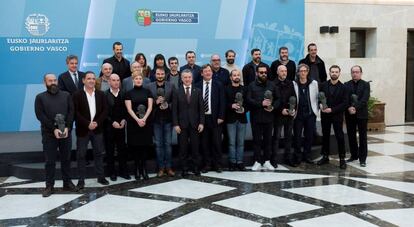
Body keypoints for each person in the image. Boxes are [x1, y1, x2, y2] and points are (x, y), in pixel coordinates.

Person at [35, 73, 77, 197]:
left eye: (54, 80)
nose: (53, 83)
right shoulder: (40, 97)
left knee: (66, 159)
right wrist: (54, 129)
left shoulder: (66, 95)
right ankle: (49, 186)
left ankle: (67, 183)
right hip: (49, 134)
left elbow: (71, 112)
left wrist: (68, 127)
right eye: (50, 81)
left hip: (66, 133)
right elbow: (40, 115)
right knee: (50, 161)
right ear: (45, 83)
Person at [72, 71, 109, 189]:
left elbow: (105, 111)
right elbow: (75, 113)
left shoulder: (101, 94)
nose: (92, 80)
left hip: (97, 129)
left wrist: (97, 123)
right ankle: (81, 180)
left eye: (93, 78)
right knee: (81, 155)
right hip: (83, 130)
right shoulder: (76, 95)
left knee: (98, 153)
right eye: (89, 78)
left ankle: (101, 177)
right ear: (83, 80)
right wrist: (87, 123)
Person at [246, 63, 279, 171]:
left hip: (269, 118)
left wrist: (273, 107)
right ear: (257, 73)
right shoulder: (251, 85)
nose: (264, 74)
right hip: (256, 118)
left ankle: (267, 161)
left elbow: (279, 99)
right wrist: (261, 103)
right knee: (257, 141)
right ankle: (257, 161)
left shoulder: (272, 85)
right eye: (261, 72)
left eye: (265, 72)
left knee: (268, 141)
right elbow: (248, 100)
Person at [172, 69, 205, 177]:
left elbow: (201, 109)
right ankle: (184, 169)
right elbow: (174, 110)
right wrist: (176, 124)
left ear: (192, 78)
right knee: (183, 149)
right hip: (181, 125)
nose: (187, 79)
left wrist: (201, 123)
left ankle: (196, 168)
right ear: (181, 79)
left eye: (189, 77)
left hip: (195, 125)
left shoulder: (198, 91)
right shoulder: (177, 91)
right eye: (185, 77)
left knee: (195, 148)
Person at [145, 67, 175, 177]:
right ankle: (161, 168)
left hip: (168, 120)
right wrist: (155, 102)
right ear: (155, 75)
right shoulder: (149, 86)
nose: (160, 75)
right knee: (158, 145)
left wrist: (168, 105)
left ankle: (169, 167)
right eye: (158, 74)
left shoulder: (171, 85)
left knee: (168, 144)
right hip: (155, 120)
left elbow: (174, 101)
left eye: (162, 74)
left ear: (165, 74)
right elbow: (146, 103)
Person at [317, 65, 348, 169]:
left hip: (337, 115)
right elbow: (318, 98)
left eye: (336, 72)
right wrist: (320, 105)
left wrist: (332, 109)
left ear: (339, 73)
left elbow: (345, 103)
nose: (334, 73)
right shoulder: (323, 85)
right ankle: (325, 156)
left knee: (340, 136)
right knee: (325, 136)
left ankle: (342, 159)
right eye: (332, 72)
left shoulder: (344, 87)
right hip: (325, 115)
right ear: (329, 73)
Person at [196, 64, 225, 173]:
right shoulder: (197, 86)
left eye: (209, 71)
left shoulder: (219, 85)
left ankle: (217, 165)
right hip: (202, 120)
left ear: (212, 73)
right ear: (202, 73)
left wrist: (221, 116)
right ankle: (207, 164)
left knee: (216, 143)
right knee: (204, 143)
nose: (208, 73)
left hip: (216, 119)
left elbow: (222, 101)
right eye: (205, 71)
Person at [125, 73, 153, 180]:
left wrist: (144, 119)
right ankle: (137, 169)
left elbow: (150, 107)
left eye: (140, 78)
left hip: (145, 123)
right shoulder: (128, 93)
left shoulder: (148, 92)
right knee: (136, 148)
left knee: (144, 148)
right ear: (133, 80)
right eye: (136, 78)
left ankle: (144, 170)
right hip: (134, 124)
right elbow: (129, 109)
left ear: (143, 80)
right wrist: (138, 120)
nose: (138, 80)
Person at [104, 74, 130, 181]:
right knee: (110, 151)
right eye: (113, 80)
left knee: (122, 150)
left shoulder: (124, 93)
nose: (116, 82)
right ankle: (112, 173)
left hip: (121, 125)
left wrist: (124, 119)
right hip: (109, 127)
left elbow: (128, 109)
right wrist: (112, 122)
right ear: (109, 82)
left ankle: (123, 171)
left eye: (118, 80)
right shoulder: (104, 94)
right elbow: (103, 112)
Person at [292, 64, 319, 165]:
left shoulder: (314, 83)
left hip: (310, 114)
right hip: (298, 114)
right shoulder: (294, 83)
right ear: (298, 72)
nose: (303, 73)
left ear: (307, 72)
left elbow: (317, 97)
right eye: (301, 71)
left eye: (305, 71)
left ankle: (307, 156)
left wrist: (316, 110)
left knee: (309, 136)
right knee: (297, 136)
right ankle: (297, 156)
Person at [345, 65, 370, 167]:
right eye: (353, 72)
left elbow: (365, 99)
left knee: (363, 137)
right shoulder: (346, 84)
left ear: (361, 73)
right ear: (351, 73)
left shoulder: (365, 84)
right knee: (351, 136)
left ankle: (362, 159)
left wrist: (355, 108)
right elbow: (345, 98)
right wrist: (349, 108)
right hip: (349, 114)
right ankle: (354, 155)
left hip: (361, 114)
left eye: (357, 72)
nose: (355, 74)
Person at [272, 65, 297, 167]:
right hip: (278, 114)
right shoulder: (273, 83)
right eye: (282, 71)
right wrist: (281, 110)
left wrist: (292, 109)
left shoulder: (290, 83)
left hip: (289, 115)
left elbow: (294, 97)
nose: (284, 73)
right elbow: (273, 100)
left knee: (288, 137)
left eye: (285, 71)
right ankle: (273, 159)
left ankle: (288, 158)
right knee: (276, 137)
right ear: (277, 72)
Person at [225, 69, 247, 171]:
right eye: (234, 75)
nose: (236, 77)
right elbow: (223, 103)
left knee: (241, 142)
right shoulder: (226, 89)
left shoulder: (244, 89)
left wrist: (244, 109)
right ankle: (232, 162)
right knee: (231, 143)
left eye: (238, 75)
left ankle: (240, 162)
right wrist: (231, 105)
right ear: (231, 77)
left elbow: (248, 103)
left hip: (242, 119)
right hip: (230, 119)